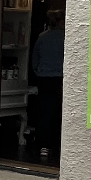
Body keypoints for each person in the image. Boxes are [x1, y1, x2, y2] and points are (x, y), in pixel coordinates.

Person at [31, 8, 64, 159]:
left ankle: (43, 145)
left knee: (44, 111)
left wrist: (39, 72)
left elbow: (35, 61)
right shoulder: (66, 38)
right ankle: (58, 145)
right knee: (60, 112)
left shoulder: (42, 38)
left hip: (44, 78)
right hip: (60, 78)